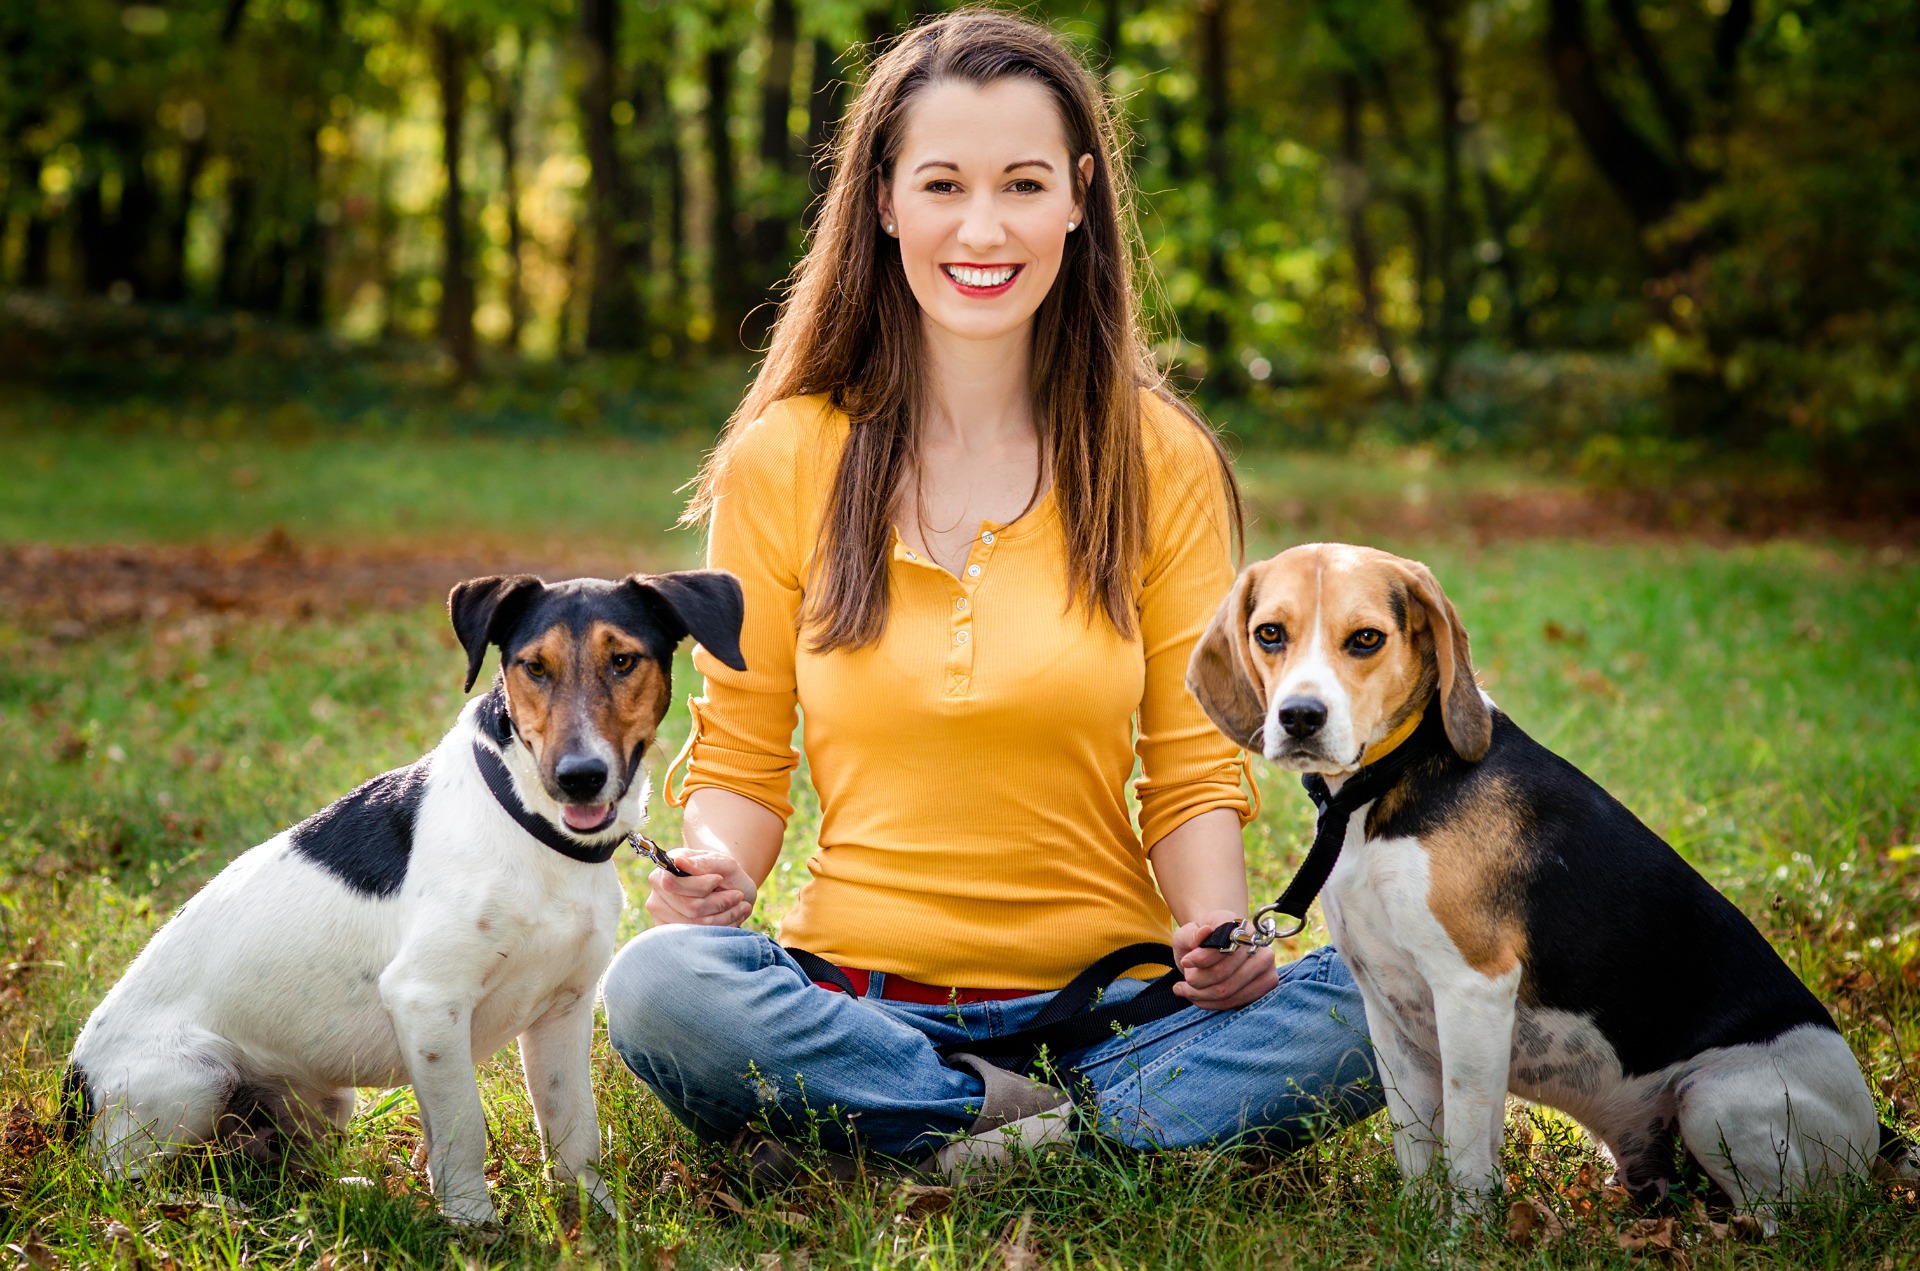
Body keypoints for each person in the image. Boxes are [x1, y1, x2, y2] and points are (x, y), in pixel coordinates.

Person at [602, 8, 1380, 1171]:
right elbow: (743, 755)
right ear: (882, 201)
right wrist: (715, 867)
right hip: (854, 1000)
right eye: (942, 184)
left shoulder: (1159, 457)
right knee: (663, 987)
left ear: (1077, 197)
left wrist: (1217, 935)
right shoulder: (786, 456)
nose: (982, 227)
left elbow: (1190, 755)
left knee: (1387, 990)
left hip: (1115, 1010)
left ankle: (924, 1128)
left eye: (1021, 184)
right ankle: (1031, 1124)